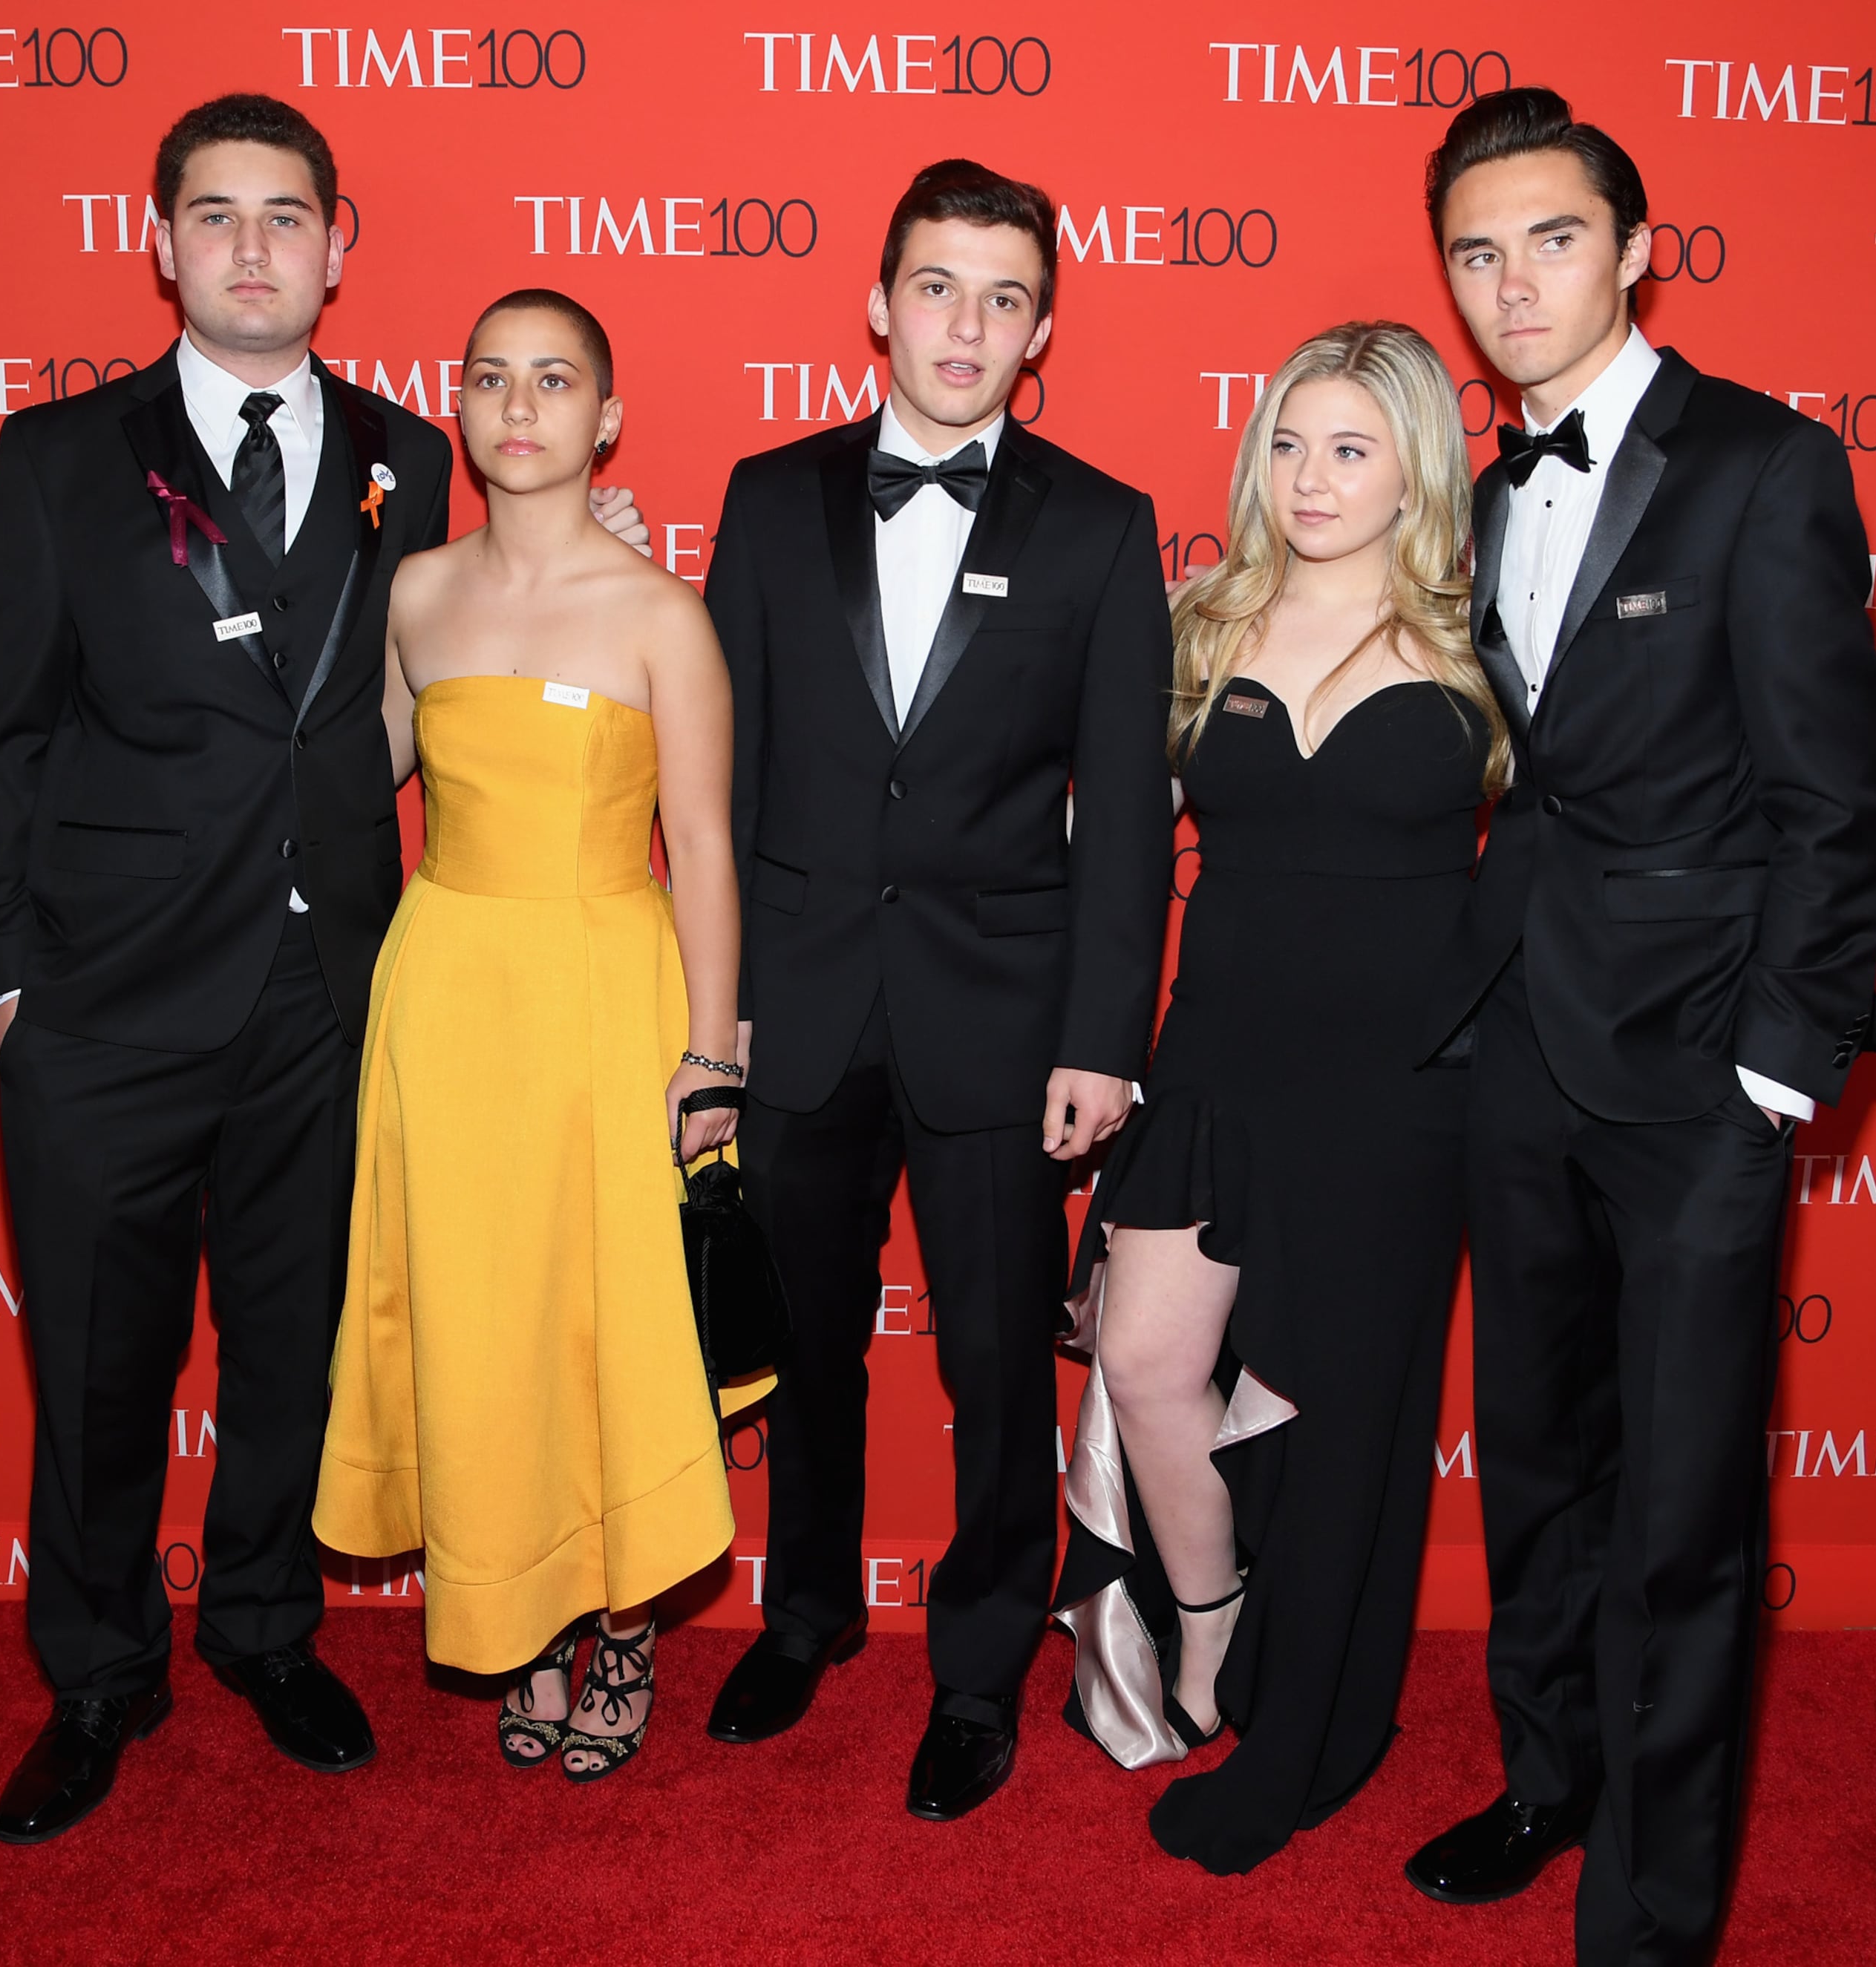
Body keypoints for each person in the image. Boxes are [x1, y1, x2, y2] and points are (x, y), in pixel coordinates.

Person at [0, 95, 644, 1845]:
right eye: (216, 214)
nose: (252, 245)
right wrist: (7, 986)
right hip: (99, 1011)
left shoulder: (415, 454)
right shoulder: (57, 459)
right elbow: (0, 743)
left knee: (295, 1351)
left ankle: (264, 1627)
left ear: (342, 246)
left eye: (286, 215)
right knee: (100, 1368)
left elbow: (453, 702)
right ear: (161, 241)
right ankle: (101, 1671)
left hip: (325, 1004)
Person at [1403, 89, 1876, 1963]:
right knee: (1538, 1459)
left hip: (1703, 1067)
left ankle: (1655, 1901)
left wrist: (1776, 1066)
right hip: (1515, 1045)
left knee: (1686, 1506)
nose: (1514, 279)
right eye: (1477, 249)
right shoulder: (1467, 487)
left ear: (1634, 250)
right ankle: (1549, 1777)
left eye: (1552, 238)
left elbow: (1839, 796)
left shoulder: (1766, 468)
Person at [698, 159, 1174, 1822]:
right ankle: (806, 1610)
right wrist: (716, 1010)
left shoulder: (1107, 528)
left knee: (990, 1364)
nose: (965, 324)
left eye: (1004, 296)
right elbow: (719, 783)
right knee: (809, 1348)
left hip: (1003, 1019)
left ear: (1041, 325)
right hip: (797, 1012)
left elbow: (1127, 814)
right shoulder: (766, 500)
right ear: (877, 300)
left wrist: (1104, 1039)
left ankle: (979, 1669)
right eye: (937, 285)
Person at [1055, 321, 1503, 1873]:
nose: (1311, 479)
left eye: (1352, 448)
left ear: (1416, 468)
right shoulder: (1197, 622)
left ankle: (1304, 1733)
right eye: (1291, 446)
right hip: (1216, 1061)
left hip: (1402, 1096)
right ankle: (1211, 1617)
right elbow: (1107, 845)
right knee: (1145, 1352)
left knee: (1348, 1424)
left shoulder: (1482, 639)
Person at [314, 289, 740, 1782]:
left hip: (609, 995)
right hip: (445, 998)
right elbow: (355, 769)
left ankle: (622, 1623)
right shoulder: (414, 590)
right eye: (490, 378)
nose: (519, 405)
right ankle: (534, 1608)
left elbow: (701, 839)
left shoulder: (660, 611)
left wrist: (715, 1054)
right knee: (488, 1315)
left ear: (605, 417)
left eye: (555, 380)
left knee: (609, 1317)